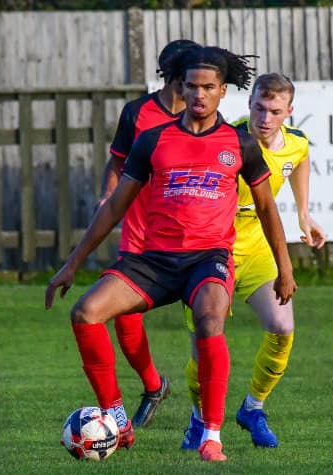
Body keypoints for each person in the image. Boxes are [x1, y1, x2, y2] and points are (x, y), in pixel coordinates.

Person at [46, 46, 297, 462]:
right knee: (86, 313)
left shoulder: (240, 143)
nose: (199, 94)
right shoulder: (153, 140)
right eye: (192, 86)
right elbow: (115, 205)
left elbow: (268, 209)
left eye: (209, 87)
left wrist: (284, 269)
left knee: (210, 320)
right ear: (181, 86)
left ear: (222, 91)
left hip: (208, 258)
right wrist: (72, 263)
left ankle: (211, 438)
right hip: (155, 259)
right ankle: (117, 420)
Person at [180, 73, 325, 450]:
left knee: (282, 326)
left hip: (258, 248)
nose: (265, 118)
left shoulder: (296, 143)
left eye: (274, 111)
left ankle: (253, 408)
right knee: (203, 344)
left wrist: (304, 214)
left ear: (289, 112)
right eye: (259, 108)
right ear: (248, 104)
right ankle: (198, 419)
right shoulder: (226, 139)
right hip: (212, 250)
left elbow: (299, 161)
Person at [97, 39, 201, 429]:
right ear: (174, 76)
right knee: (122, 315)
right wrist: (108, 196)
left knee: (204, 322)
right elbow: (117, 162)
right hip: (141, 231)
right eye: (190, 78)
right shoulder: (137, 113)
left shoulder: (203, 116)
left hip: (191, 235)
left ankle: (206, 416)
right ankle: (154, 385)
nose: (197, 88)